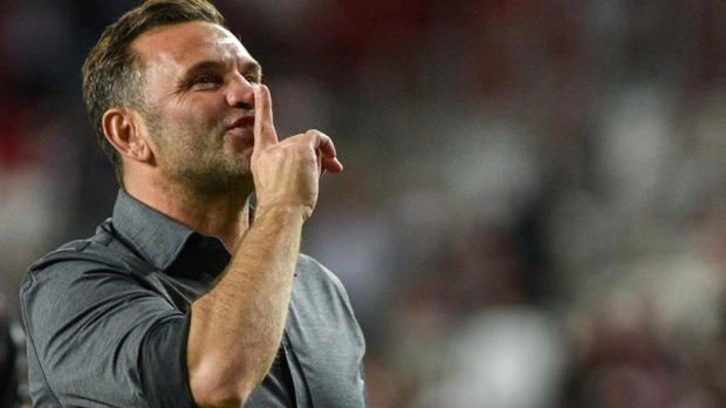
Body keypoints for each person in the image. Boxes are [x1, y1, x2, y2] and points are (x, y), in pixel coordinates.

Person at [19, 0, 366, 406]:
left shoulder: (319, 288)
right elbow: (212, 382)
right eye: (205, 80)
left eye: (251, 76)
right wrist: (282, 208)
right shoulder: (71, 287)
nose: (248, 94)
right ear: (129, 133)